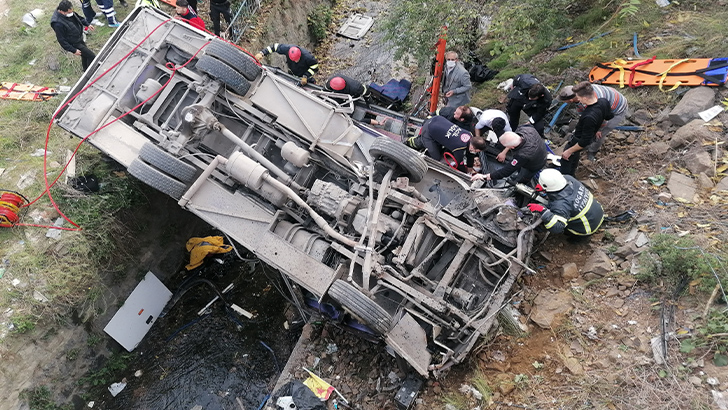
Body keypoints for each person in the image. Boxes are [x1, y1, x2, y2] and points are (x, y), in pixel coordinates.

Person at [557, 84, 629, 161]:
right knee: (590, 130)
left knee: (600, 134)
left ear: (571, 100)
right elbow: (582, 111)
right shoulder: (581, 92)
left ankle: (592, 151)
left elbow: (603, 117)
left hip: (618, 108)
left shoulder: (596, 100)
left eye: (565, 101)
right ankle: (584, 145)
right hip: (605, 107)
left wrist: (599, 129)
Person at [526, 168, 604, 239]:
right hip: (598, 212)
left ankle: (576, 238)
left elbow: (557, 228)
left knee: (568, 234)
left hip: (588, 228)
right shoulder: (568, 178)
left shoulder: (560, 205)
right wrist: (545, 188)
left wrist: (543, 211)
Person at [559, 82, 613, 176]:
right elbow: (609, 116)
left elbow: (584, 141)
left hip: (579, 139)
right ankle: (572, 175)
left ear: (584, 98)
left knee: (566, 159)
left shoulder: (589, 116)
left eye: (578, 97)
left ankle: (566, 179)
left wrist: (569, 151)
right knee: (574, 156)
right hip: (590, 133)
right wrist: (598, 128)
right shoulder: (603, 101)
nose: (578, 99)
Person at [406, 115, 486, 172]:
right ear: (472, 147)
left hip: (437, 119)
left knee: (440, 145)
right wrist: (467, 172)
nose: (475, 153)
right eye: (476, 151)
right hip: (428, 129)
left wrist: (469, 166)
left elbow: (470, 154)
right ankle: (411, 141)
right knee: (436, 158)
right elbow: (460, 164)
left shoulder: (469, 135)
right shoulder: (459, 147)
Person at [471, 126, 546, 184]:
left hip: (536, 164)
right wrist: (504, 152)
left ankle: (519, 184)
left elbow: (507, 171)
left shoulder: (523, 155)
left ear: (512, 147)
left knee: (523, 178)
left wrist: (485, 177)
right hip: (539, 148)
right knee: (519, 167)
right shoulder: (525, 130)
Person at [51, 0, 96, 71]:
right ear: (62, 12)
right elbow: (61, 40)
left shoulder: (69, 11)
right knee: (91, 56)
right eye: (69, 12)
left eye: (72, 11)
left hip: (78, 38)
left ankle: (86, 71)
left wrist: (87, 24)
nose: (71, 13)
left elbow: (79, 18)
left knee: (85, 56)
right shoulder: (57, 23)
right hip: (74, 43)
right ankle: (91, 72)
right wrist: (73, 50)